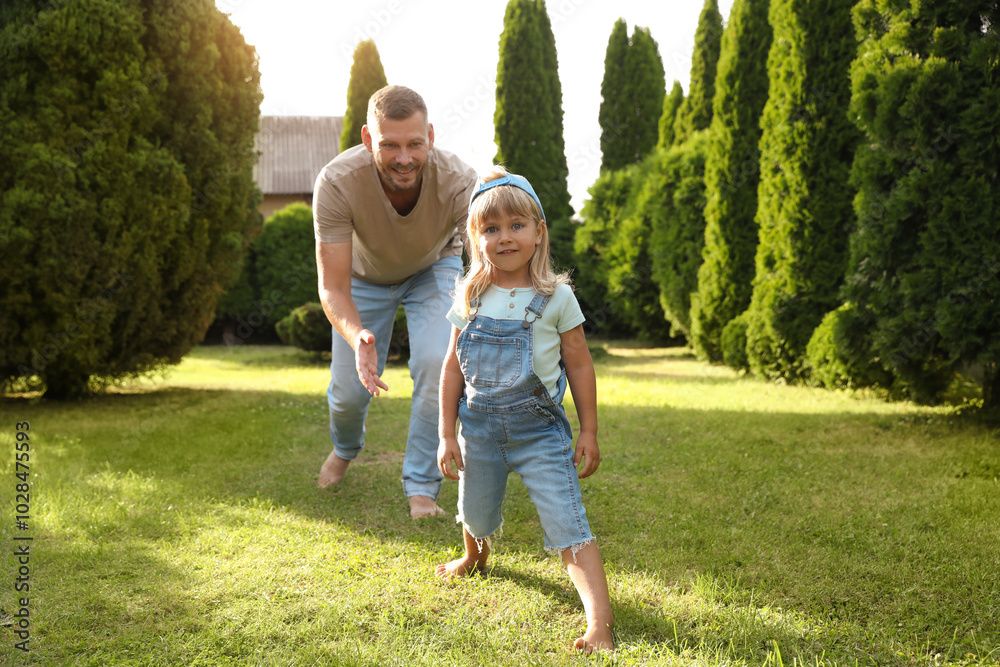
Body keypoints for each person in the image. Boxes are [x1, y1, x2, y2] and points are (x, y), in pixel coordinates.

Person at [435, 167, 614, 654]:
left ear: (538, 232)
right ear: (476, 238)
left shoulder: (556, 297)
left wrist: (589, 431)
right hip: (479, 428)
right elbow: (452, 368)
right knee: (474, 509)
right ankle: (474, 556)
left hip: (540, 434)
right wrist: (446, 434)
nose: (505, 236)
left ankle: (599, 621)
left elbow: (579, 365)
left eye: (517, 225)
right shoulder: (469, 295)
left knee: (567, 521)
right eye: (491, 228)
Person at [313, 85, 478, 519]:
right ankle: (346, 448)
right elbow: (332, 285)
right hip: (363, 280)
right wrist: (358, 334)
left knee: (433, 362)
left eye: (414, 144)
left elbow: (485, 262)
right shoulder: (336, 182)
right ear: (368, 140)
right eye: (390, 145)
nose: (404, 158)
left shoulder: (461, 181)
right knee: (348, 394)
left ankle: (422, 487)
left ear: (431, 137)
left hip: (433, 268)